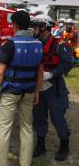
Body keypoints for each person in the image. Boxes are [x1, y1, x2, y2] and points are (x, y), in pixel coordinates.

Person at [0, 10, 44, 166]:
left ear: (15, 25)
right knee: (27, 128)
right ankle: (25, 163)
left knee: (4, 129)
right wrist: (37, 91)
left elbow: (0, 72)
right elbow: (40, 72)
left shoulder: (10, 44)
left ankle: (1, 163)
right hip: (29, 91)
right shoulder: (39, 44)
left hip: (11, 91)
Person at [31, 15, 72, 161]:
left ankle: (64, 144)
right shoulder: (34, 44)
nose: (33, 30)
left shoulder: (58, 44)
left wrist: (52, 74)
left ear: (44, 27)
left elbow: (68, 63)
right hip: (38, 86)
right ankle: (40, 145)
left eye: (35, 27)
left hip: (54, 86)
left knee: (57, 117)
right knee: (38, 117)